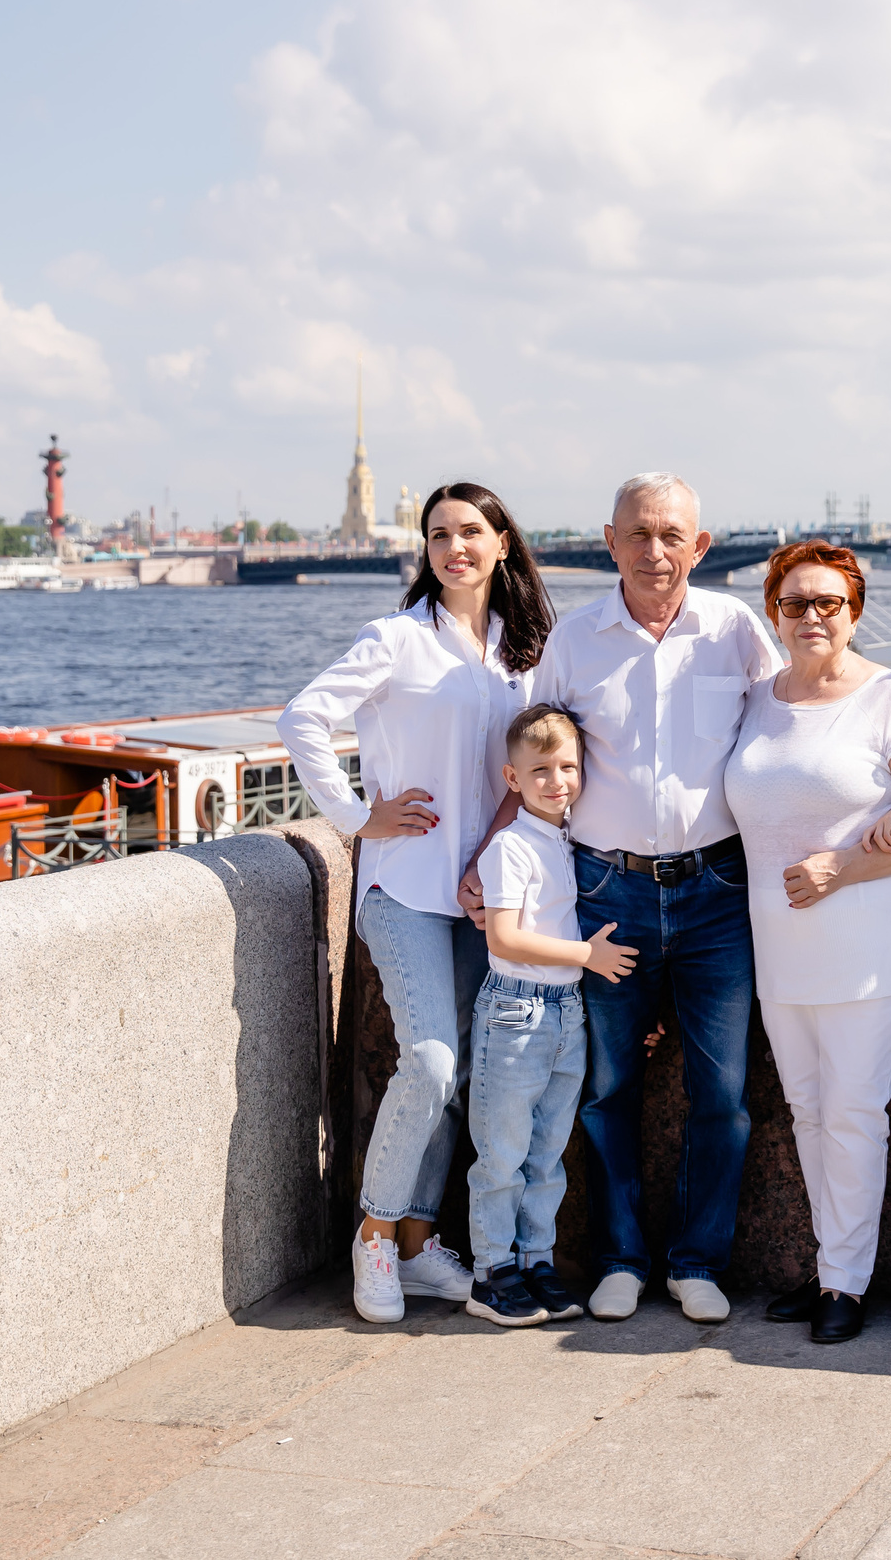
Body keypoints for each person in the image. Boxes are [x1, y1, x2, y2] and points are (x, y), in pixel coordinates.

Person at [493, 473, 781, 1325]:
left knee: (721, 1092)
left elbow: (791, 726)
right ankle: (620, 1256)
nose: (655, 551)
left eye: (672, 535)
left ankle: (697, 1262)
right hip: (604, 888)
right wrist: (490, 856)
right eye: (638, 534)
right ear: (609, 541)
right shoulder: (574, 641)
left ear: (700, 545)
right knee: (608, 1084)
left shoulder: (736, 630)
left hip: (718, 888)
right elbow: (532, 755)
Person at [280, 483, 554, 1323]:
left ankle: (419, 1242)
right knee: (431, 1059)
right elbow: (303, 717)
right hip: (402, 886)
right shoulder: (397, 639)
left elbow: (523, 765)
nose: (454, 546)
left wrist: (499, 844)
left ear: (502, 542)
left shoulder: (521, 650)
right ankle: (374, 1232)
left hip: (479, 892)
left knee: (465, 1070)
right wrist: (359, 818)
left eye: (471, 531)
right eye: (438, 534)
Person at [725, 542, 891, 1344]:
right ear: (773, 612)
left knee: (855, 1112)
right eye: (795, 603)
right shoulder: (758, 698)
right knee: (808, 1114)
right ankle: (831, 1264)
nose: (812, 616)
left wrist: (847, 866)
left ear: (855, 609)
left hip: (870, 938)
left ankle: (846, 1286)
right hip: (778, 940)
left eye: (828, 602)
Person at [464, 704, 634, 1328]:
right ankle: (491, 1274)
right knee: (502, 1153)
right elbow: (504, 938)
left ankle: (537, 1260)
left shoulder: (569, 839)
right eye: (540, 770)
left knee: (547, 1153)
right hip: (516, 1009)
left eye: (568, 766)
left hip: (567, 1013)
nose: (557, 780)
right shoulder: (510, 848)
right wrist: (586, 956)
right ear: (512, 778)